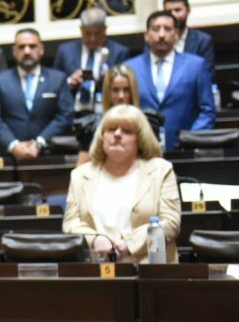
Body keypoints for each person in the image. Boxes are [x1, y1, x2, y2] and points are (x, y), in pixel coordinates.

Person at [64, 105, 180, 263]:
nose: (117, 134)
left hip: (149, 270)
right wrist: (95, 239)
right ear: (102, 136)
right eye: (111, 129)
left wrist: (129, 243)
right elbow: (71, 223)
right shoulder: (80, 175)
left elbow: (171, 223)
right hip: (96, 271)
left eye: (127, 131)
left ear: (140, 140)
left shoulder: (161, 171)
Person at [125, 10, 214, 151]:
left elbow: (207, 111)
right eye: (155, 29)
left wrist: (191, 138)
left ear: (177, 34)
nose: (161, 35)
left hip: (184, 150)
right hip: (140, 149)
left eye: (167, 29)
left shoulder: (195, 66)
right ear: (146, 35)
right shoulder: (130, 68)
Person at [0, 28, 73, 160]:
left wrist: (40, 142)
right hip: (10, 157)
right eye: (21, 47)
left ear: (41, 49)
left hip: (49, 155)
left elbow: (65, 115)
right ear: (14, 51)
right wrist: (14, 145)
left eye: (32, 46)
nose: (27, 51)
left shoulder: (58, 79)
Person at [52, 7, 130, 112]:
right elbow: (54, 85)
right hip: (72, 112)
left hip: (107, 111)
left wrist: (108, 80)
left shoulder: (119, 52)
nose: (92, 38)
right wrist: (70, 82)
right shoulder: (65, 51)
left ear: (105, 29)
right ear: (81, 29)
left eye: (97, 33)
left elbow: (126, 87)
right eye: (88, 33)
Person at [76, 64, 143, 164]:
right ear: (107, 92)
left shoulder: (145, 123)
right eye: (115, 90)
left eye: (126, 90)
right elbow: (81, 171)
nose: (121, 96)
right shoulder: (92, 127)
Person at [163, 0, 215, 78]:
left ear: (188, 11)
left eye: (177, 10)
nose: (173, 15)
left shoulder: (202, 40)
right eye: (168, 12)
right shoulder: (156, 40)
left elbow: (207, 74)